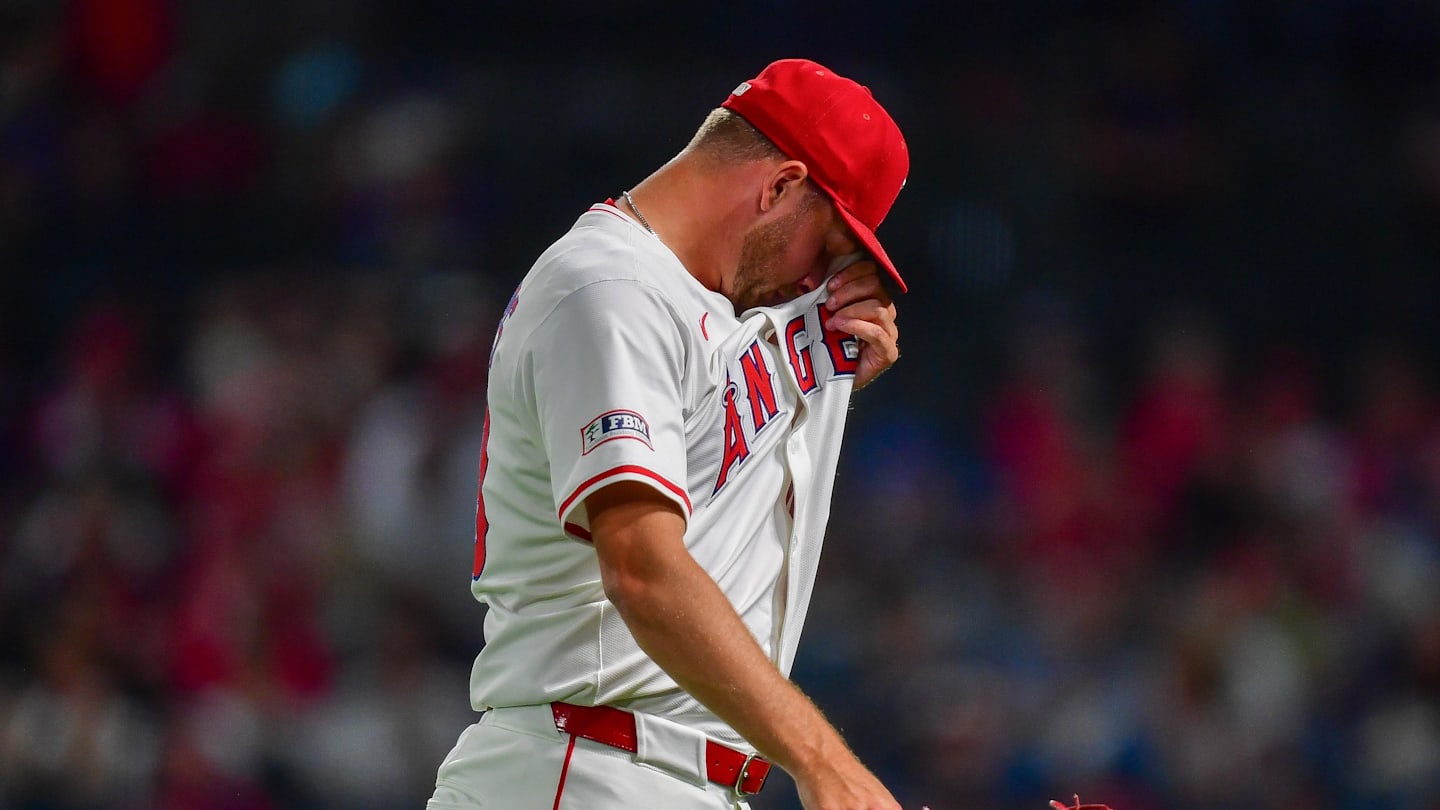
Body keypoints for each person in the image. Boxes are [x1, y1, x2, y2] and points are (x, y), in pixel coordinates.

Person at [428, 58, 910, 810]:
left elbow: (712, 525)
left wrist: (813, 377)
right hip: (585, 765)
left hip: (655, 775)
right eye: (830, 243)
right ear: (781, 186)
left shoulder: (702, 313)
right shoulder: (609, 288)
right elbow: (643, 570)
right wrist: (825, 761)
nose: (819, 278)